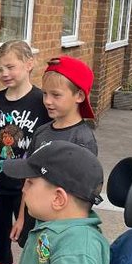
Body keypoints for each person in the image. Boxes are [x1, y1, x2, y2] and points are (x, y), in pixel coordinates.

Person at [0, 41, 51, 264]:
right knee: (1, 236)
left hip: (29, 185)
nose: (4, 74)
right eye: (0, 69)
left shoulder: (42, 103)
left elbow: (49, 145)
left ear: (29, 64)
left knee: (33, 235)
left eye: (10, 67)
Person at [12, 56, 98, 248]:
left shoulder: (82, 140)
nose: (47, 101)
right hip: (33, 220)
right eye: (44, 94)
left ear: (79, 96)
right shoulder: (42, 131)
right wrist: (21, 218)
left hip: (60, 230)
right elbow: (29, 178)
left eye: (56, 95)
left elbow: (82, 194)